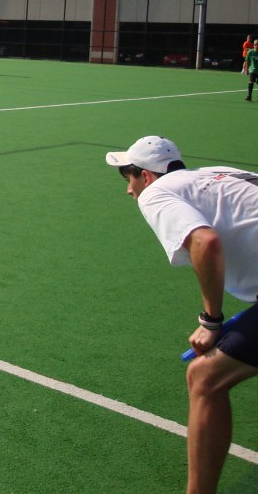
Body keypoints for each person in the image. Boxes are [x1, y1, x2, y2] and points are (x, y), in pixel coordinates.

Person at [105, 136, 258, 494]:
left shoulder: (156, 193)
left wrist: (211, 321)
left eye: (128, 177)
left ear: (145, 176)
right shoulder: (217, 174)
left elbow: (206, 242)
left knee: (204, 377)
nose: (128, 190)